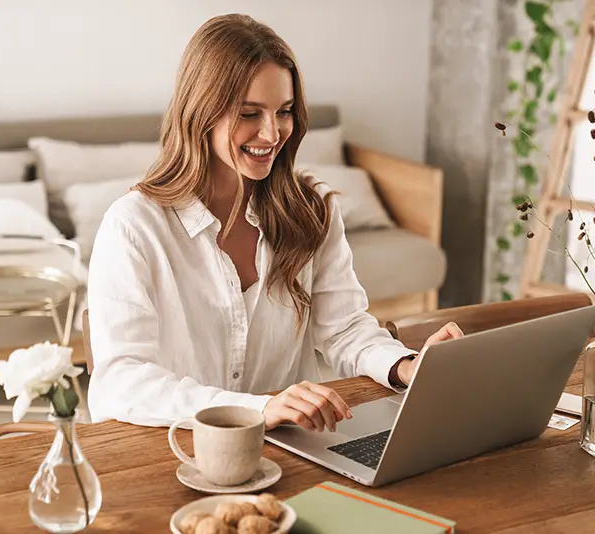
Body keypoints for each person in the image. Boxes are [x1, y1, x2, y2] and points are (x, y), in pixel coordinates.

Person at [86, 14, 462, 433]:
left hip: (294, 449)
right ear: (201, 110)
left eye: (283, 112)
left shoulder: (311, 210)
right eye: (249, 113)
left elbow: (343, 328)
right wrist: (255, 408)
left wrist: (406, 366)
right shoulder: (135, 226)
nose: (271, 133)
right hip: (174, 451)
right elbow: (120, 380)